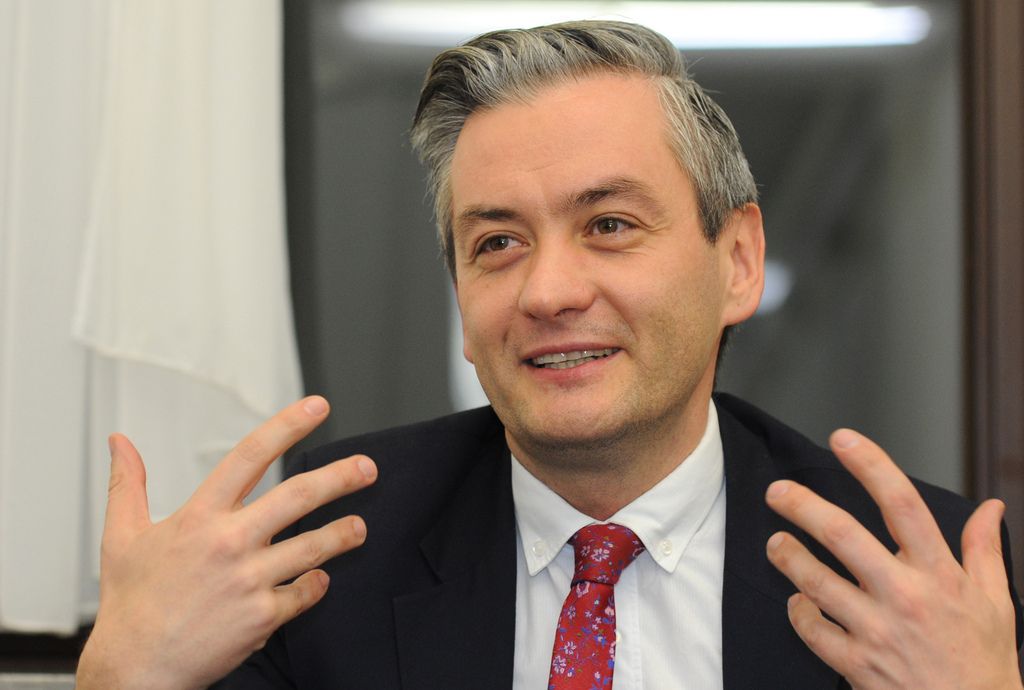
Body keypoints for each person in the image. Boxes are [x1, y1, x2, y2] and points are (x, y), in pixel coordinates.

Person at [76, 20, 1023, 690]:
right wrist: (124, 679)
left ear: (736, 263)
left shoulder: (909, 578)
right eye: (497, 243)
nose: (548, 292)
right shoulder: (332, 557)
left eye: (608, 225)